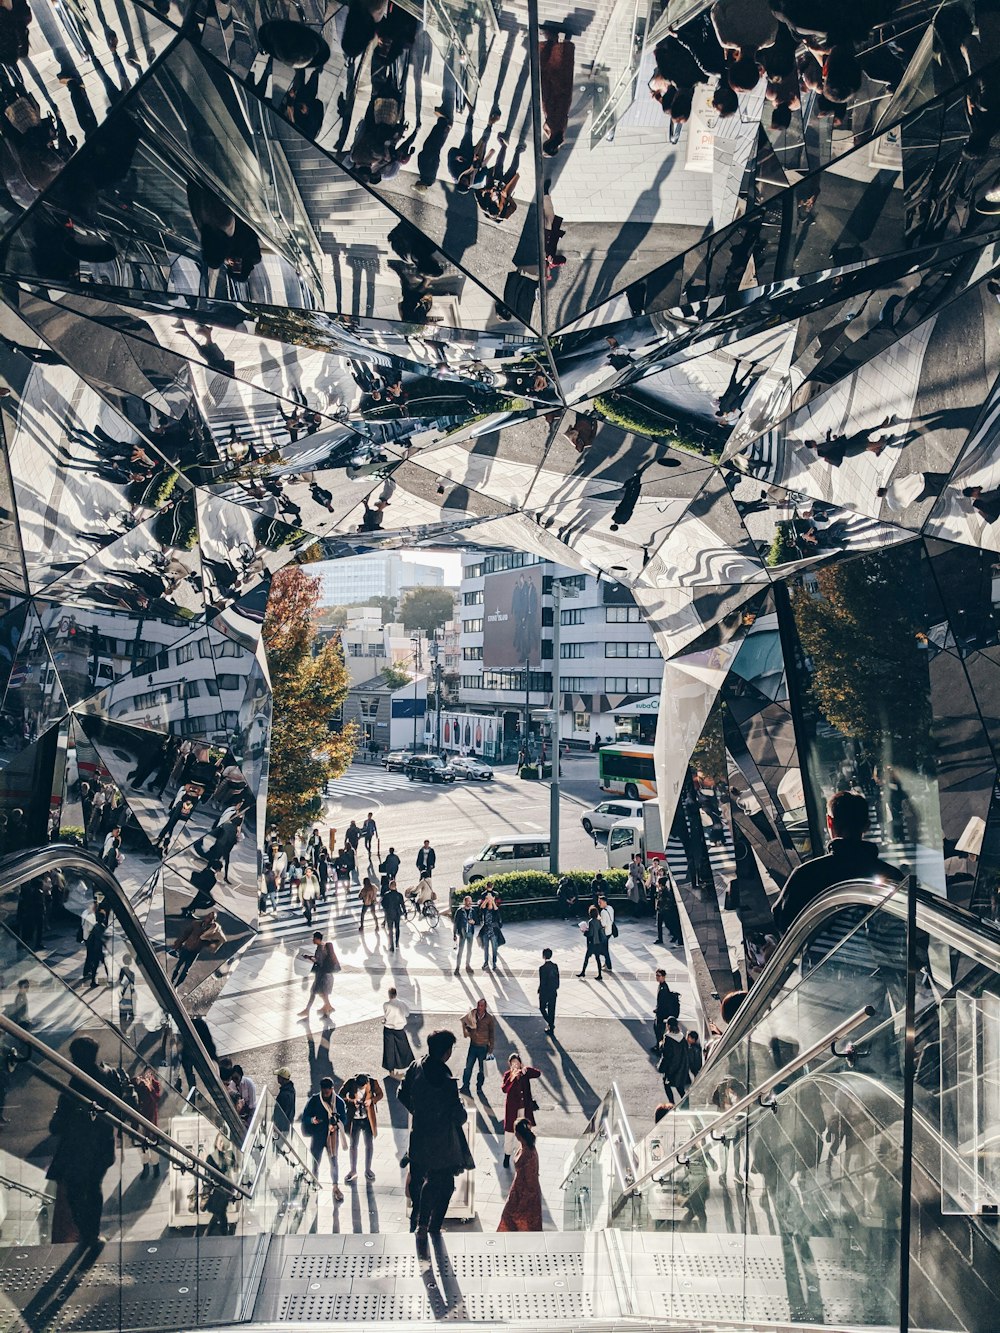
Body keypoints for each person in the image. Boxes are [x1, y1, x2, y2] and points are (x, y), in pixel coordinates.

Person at [771, 790, 903, 933]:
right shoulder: (892, 876)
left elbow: (782, 920)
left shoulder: (806, 874)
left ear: (829, 821)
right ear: (866, 826)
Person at [398, 1029, 475, 1237]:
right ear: (447, 1052)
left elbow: (401, 1093)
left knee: (418, 1184)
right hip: (441, 1145)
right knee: (445, 1186)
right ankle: (430, 1227)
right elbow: (459, 1117)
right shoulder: (447, 1081)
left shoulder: (416, 1067)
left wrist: (418, 1112)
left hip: (418, 1138)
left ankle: (416, 1225)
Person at [46, 1036, 119, 1247]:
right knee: (94, 1188)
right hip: (103, 1147)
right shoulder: (107, 1076)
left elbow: (56, 1126)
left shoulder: (75, 1085)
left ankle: (85, 1235)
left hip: (79, 1152)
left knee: (76, 1193)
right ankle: (92, 1235)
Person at [301, 1076, 347, 1201]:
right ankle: (314, 1182)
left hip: (332, 1136)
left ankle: (335, 1186)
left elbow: (344, 1119)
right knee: (315, 1161)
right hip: (318, 1136)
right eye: (324, 1091)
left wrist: (336, 1125)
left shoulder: (339, 1102)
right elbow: (305, 1116)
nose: (326, 1093)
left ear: (332, 1089)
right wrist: (312, 1120)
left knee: (334, 1161)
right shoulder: (315, 1100)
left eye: (328, 1091)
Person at [497, 1117, 542, 1232]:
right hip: (522, 1189)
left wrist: (524, 1199)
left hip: (524, 1193)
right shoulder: (528, 1147)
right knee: (526, 1222)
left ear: (518, 1134)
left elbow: (528, 1177)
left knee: (514, 1218)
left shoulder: (526, 1153)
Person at [341, 1073, 383, 1183]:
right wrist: (352, 1101)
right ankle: (353, 1171)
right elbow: (340, 1096)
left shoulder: (373, 1082)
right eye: (360, 1087)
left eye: (363, 1087)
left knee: (369, 1145)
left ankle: (368, 1170)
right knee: (353, 1146)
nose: (361, 1089)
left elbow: (380, 1094)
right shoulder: (350, 1082)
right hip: (354, 1120)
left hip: (367, 1119)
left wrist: (371, 1101)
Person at [500, 1054, 541, 1168]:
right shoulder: (508, 1075)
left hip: (524, 1109)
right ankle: (507, 1156)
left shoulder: (525, 1073)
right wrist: (511, 1078)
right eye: (513, 1063)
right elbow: (504, 1089)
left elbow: (538, 1073)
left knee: (523, 1133)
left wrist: (526, 1070)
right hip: (512, 1109)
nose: (515, 1065)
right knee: (509, 1133)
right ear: (510, 1064)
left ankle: (520, 1155)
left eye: (517, 1062)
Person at [459, 998, 495, 1096]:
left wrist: (491, 1049)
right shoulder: (472, 1014)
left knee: (481, 1069)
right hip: (473, 1045)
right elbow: (467, 1024)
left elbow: (492, 1033)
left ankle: (479, 1086)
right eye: (478, 1005)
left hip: (483, 1047)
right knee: (468, 1067)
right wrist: (466, 1027)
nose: (479, 1008)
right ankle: (465, 1085)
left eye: (481, 1006)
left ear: (485, 1007)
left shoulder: (489, 1018)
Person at [299, 930, 338, 1020]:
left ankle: (325, 1008)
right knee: (320, 993)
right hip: (324, 975)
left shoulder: (320, 948)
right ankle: (326, 1008)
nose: (313, 940)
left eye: (314, 938)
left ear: (317, 939)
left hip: (323, 976)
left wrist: (310, 958)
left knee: (316, 992)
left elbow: (319, 961)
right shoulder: (322, 946)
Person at [205, 1133, 238, 1234]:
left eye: (223, 1141)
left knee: (219, 1211)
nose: (221, 1144)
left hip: (227, 1187)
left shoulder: (229, 1154)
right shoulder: (211, 1157)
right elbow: (209, 1173)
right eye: (219, 1141)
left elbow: (235, 1168)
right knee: (220, 1211)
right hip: (217, 1188)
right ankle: (221, 1231)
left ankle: (211, 1231)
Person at [134, 1066, 162, 1179]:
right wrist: (137, 1081)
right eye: (146, 1074)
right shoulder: (140, 1082)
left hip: (151, 1119)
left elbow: (157, 1097)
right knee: (142, 1145)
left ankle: (156, 1167)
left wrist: (150, 1087)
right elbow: (132, 1084)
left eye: (150, 1074)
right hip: (140, 1117)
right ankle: (145, 1167)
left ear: (153, 1075)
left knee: (153, 1143)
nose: (148, 1076)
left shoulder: (155, 1084)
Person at [382, 987, 415, 1076]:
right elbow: (407, 1014)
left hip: (388, 1028)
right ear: (396, 994)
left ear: (389, 995)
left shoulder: (385, 1004)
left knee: (389, 1050)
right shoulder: (402, 1004)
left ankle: (391, 1070)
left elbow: (386, 1016)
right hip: (399, 1029)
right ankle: (409, 1066)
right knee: (404, 1048)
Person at [658, 1016, 690, 1101]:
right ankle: (686, 1104)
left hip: (671, 1067)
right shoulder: (682, 1038)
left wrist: (661, 1067)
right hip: (681, 1067)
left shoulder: (668, 1038)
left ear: (668, 1026)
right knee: (680, 1087)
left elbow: (666, 1055)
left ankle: (671, 1103)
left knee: (667, 1084)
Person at [653, 968, 680, 1050]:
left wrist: (658, 1009)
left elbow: (663, 1002)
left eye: (659, 975)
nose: (657, 977)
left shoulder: (663, 988)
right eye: (656, 975)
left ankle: (659, 1045)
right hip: (660, 1012)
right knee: (657, 1028)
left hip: (661, 1013)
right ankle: (658, 1044)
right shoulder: (661, 986)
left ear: (663, 977)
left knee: (659, 1030)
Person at [577, 905, 607, 980]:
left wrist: (584, 932)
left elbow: (590, 933)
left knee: (586, 958)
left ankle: (583, 972)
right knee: (598, 959)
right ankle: (600, 974)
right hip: (598, 943)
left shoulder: (591, 922)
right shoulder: (598, 921)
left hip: (592, 943)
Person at [83, 909, 109, 989]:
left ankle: (93, 982)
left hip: (94, 948)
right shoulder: (101, 927)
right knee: (105, 963)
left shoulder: (95, 926)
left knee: (96, 965)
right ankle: (110, 979)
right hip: (98, 949)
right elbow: (103, 939)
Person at [478, 890, 503, 970]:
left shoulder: (495, 909)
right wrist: (486, 899)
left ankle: (494, 962)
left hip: (493, 931)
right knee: (486, 948)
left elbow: (496, 909)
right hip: (486, 930)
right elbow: (481, 907)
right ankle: (485, 962)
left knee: (494, 948)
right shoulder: (485, 909)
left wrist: (492, 900)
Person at [655, 875, 682, 945]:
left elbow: (666, 901)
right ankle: (660, 938)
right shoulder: (662, 890)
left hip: (665, 911)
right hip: (661, 910)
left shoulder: (665, 891)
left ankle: (677, 937)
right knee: (659, 925)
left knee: (669, 924)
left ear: (660, 884)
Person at [453, 894, 477, 973]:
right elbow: (456, 923)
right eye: (468, 901)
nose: (470, 903)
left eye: (470, 901)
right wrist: (454, 934)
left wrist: (473, 922)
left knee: (469, 950)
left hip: (470, 932)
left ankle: (468, 965)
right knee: (461, 950)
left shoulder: (472, 911)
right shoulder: (460, 911)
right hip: (462, 933)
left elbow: (477, 921)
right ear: (465, 902)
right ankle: (457, 967)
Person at [538, 948, 559, 1036]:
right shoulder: (555, 966)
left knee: (542, 1008)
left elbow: (542, 981)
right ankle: (551, 1025)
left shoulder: (542, 968)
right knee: (552, 1009)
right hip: (553, 991)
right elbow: (557, 979)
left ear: (544, 956)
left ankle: (550, 1023)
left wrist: (540, 991)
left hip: (545, 992)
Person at [382, 880, 405, 951]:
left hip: (389, 914)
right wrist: (405, 912)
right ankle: (397, 942)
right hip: (397, 913)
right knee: (397, 928)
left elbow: (383, 905)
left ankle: (391, 945)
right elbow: (402, 904)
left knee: (390, 930)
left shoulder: (386, 895)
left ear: (389, 886)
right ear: (395, 886)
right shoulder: (399, 895)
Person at [597, 894, 616, 971]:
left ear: (604, 902)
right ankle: (606, 964)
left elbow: (603, 924)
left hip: (605, 932)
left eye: (600, 902)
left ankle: (609, 966)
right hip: (610, 931)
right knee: (605, 948)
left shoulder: (603, 912)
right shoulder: (610, 908)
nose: (599, 904)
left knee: (605, 950)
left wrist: (599, 919)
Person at [274, 1068, 296, 1133]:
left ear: (282, 1078)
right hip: (287, 1125)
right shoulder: (290, 1089)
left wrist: (277, 1125)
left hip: (282, 1128)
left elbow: (282, 1112)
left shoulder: (284, 1094)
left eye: (279, 1077)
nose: (277, 1078)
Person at [118, 954, 136, 1029]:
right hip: (129, 992)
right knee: (130, 1011)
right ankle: (126, 1028)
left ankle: (123, 1028)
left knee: (123, 1010)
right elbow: (132, 983)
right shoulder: (132, 973)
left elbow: (120, 980)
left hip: (124, 991)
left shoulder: (123, 970)